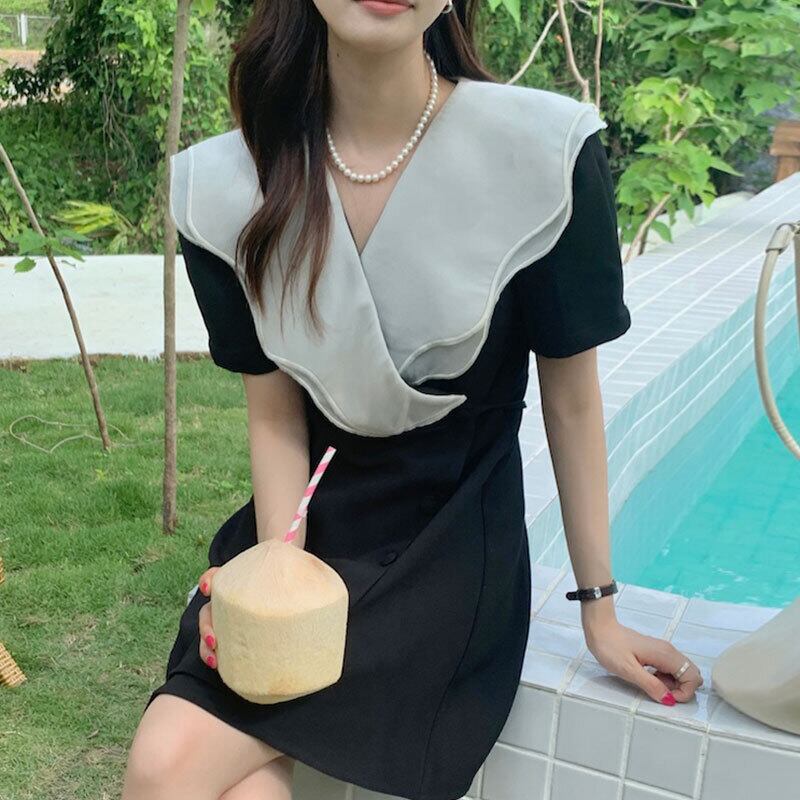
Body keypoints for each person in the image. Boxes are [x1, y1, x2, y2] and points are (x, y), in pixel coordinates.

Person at [122, 1, 705, 799]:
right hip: (308, 526)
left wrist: (598, 611)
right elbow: (275, 413)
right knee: (240, 784)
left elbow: (571, 400)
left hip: (449, 549)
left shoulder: (542, 151)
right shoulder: (232, 178)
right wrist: (275, 585)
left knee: (165, 762)